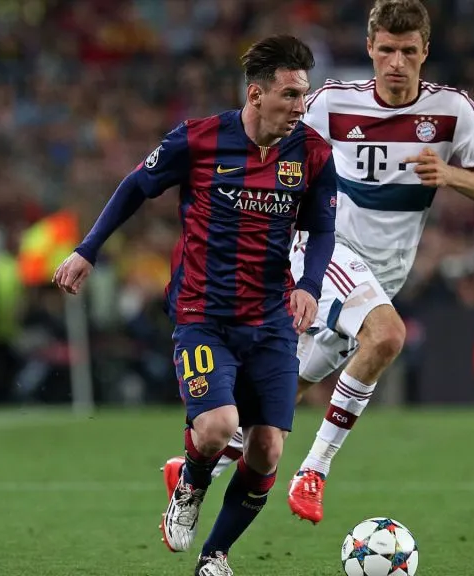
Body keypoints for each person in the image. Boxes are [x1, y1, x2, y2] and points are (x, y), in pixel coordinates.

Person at [210, 0, 474, 524]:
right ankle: (314, 471)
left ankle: (197, 467)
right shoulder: (331, 104)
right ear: (370, 49)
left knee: (291, 385)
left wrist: (450, 174)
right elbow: (274, 147)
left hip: (386, 272)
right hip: (330, 251)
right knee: (388, 336)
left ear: (425, 52)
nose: (397, 62)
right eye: (387, 50)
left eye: (408, 51)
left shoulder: (453, 112)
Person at [53, 35, 337, 576]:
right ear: (256, 95)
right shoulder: (199, 140)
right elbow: (136, 187)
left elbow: (322, 227)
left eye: (305, 95)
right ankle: (189, 484)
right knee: (215, 428)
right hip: (202, 316)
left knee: (267, 451)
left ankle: (215, 556)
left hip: (272, 320)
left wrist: (311, 285)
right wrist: (88, 250)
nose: (301, 107)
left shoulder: (313, 153)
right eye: (291, 95)